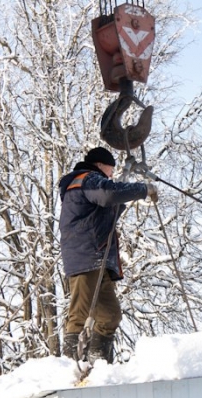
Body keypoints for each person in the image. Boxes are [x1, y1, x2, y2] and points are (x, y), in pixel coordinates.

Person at [58, 147, 158, 364]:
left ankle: (98, 363)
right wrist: (143, 189)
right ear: (101, 165)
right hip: (86, 255)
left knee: (110, 315)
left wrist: (133, 185)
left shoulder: (91, 184)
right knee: (79, 312)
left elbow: (113, 202)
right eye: (111, 169)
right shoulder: (87, 179)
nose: (112, 174)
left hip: (98, 258)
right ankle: (67, 366)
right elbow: (109, 194)